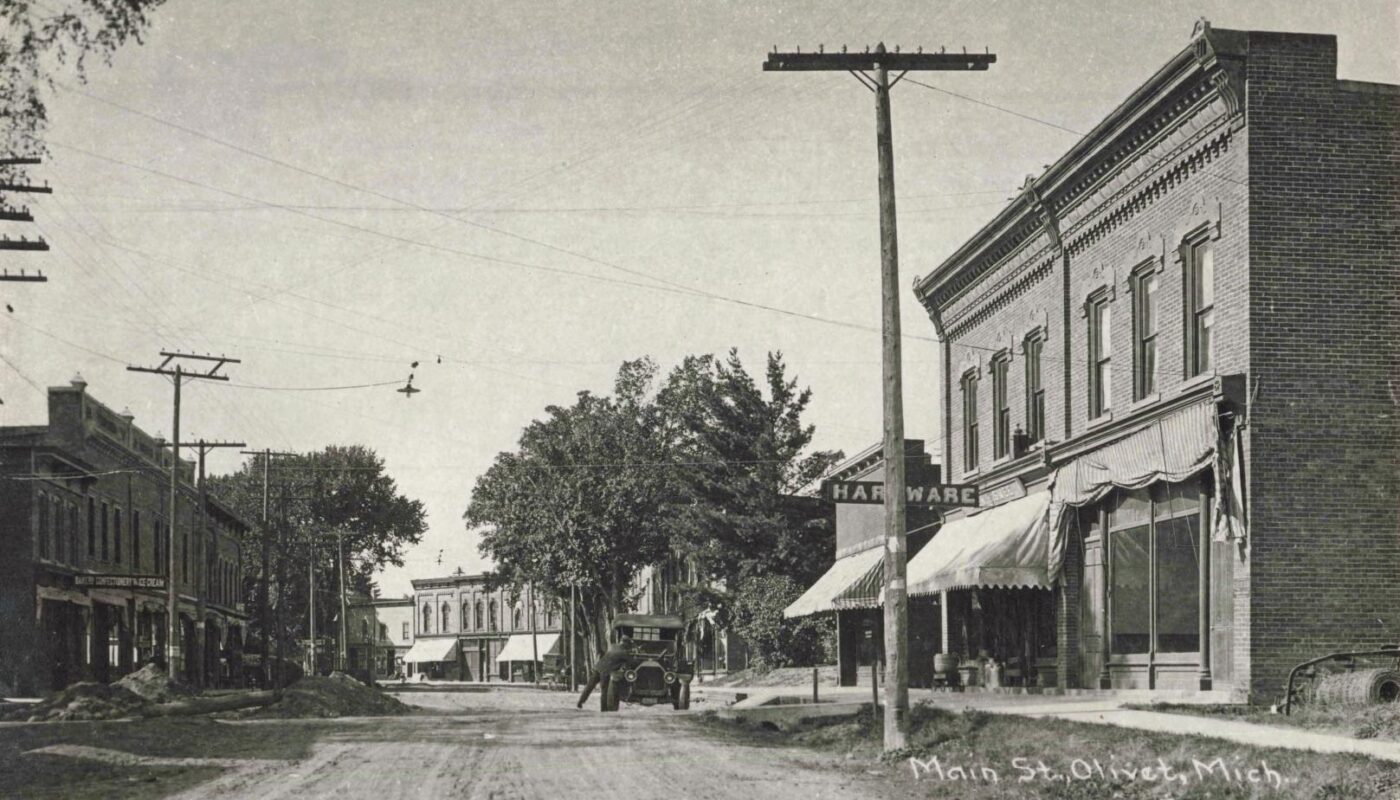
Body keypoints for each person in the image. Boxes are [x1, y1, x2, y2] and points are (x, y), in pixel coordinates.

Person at [576, 635, 633, 708]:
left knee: (589, 686)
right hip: (606, 671)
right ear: (626, 644)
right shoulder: (624, 653)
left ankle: (580, 701)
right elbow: (631, 661)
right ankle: (604, 709)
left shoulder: (613, 646)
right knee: (604, 690)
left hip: (598, 668)